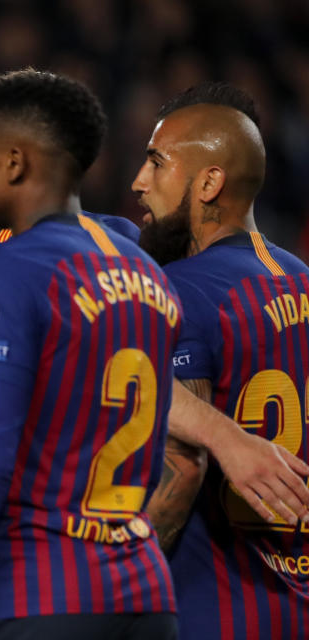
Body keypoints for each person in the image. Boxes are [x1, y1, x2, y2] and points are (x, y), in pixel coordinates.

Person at [0, 69, 180, 640]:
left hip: (40, 593)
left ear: (14, 162)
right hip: (147, 594)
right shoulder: (145, 272)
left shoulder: (11, 265)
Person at [133, 82, 309, 639]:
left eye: (157, 163)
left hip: (213, 610)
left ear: (209, 182)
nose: (139, 183)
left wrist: (112, 594)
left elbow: (182, 469)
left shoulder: (176, 289)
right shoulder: (303, 279)